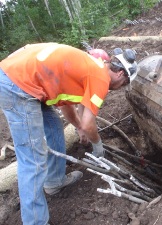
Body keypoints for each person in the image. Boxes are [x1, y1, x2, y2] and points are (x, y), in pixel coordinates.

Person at [0, 42, 137, 225]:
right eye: (124, 84)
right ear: (121, 74)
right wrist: (97, 145)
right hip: (18, 85)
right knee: (33, 158)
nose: (120, 88)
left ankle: (55, 182)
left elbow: (66, 105)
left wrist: (79, 127)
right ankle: (35, 222)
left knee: (54, 126)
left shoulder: (92, 66)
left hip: (25, 79)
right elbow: (89, 123)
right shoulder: (101, 79)